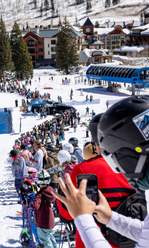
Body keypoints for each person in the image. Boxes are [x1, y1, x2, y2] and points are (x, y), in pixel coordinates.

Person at [54, 96, 149, 247]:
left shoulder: (83, 169)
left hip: (91, 239)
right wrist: (111, 218)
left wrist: (82, 216)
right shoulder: (139, 173)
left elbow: (66, 214)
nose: (118, 168)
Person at [30, 169, 57, 248]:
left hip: (42, 221)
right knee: (50, 237)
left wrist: (29, 203)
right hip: (49, 220)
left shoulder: (39, 194)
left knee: (44, 240)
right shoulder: (51, 190)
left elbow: (35, 206)